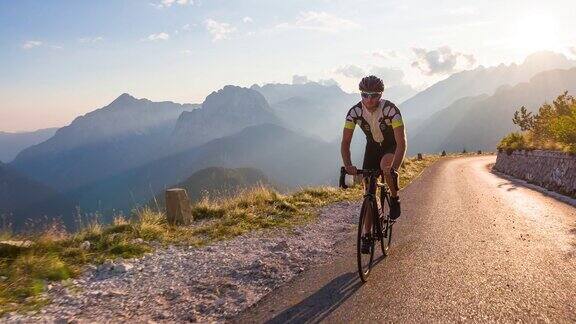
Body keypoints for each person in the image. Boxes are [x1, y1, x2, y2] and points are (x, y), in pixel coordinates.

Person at [340, 75, 407, 253]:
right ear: (361, 94)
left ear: (381, 95)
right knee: (368, 191)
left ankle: (394, 198)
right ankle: (367, 234)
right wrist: (348, 165)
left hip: (390, 146)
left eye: (374, 95)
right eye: (365, 95)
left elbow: (401, 143)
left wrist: (394, 169)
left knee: (386, 169)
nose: (369, 99)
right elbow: (345, 143)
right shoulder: (353, 112)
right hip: (372, 148)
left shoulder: (391, 110)